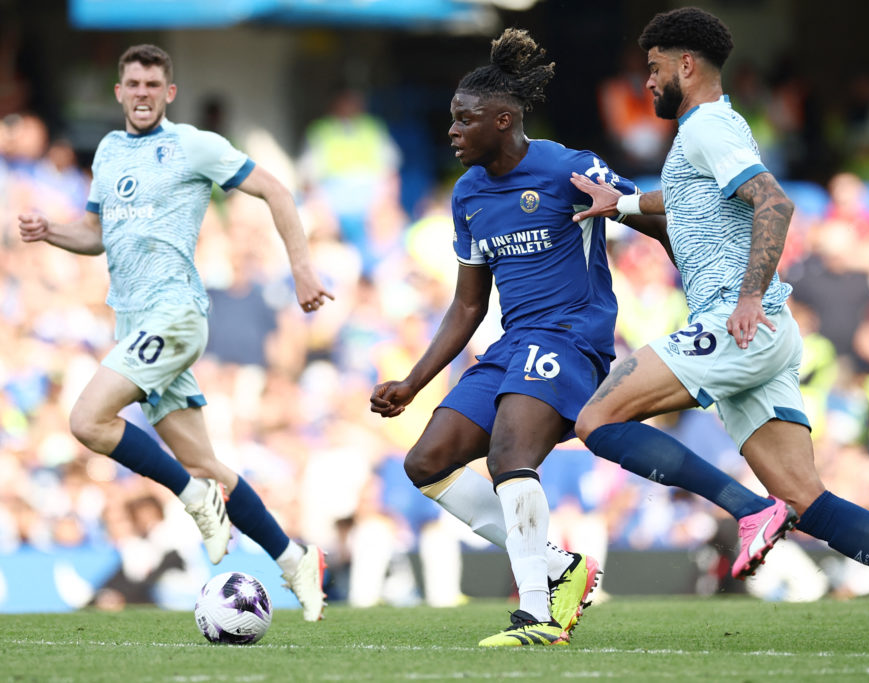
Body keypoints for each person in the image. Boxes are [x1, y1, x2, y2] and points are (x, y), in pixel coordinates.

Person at [569, 7, 869, 650]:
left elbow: (774, 201)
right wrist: (624, 205)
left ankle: (747, 511)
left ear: (685, 65)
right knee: (807, 499)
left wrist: (746, 299)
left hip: (739, 324)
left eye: (654, 68)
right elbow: (686, 205)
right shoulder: (708, 132)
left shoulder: (708, 126)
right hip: (765, 334)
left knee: (596, 422)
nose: (647, 83)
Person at [370, 28, 665, 647]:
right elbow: (467, 304)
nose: (450, 131)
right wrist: (413, 383)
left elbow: (649, 213)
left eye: (463, 120)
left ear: (502, 120)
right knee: (426, 463)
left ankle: (538, 612)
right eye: (451, 120)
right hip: (512, 344)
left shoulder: (569, 167)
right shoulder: (469, 194)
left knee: (510, 459)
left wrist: (712, 282)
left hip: (571, 338)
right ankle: (559, 567)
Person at [17, 44, 333, 621]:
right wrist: (50, 232)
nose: (141, 93)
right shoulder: (109, 153)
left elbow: (277, 192)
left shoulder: (194, 146)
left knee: (87, 420)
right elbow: (95, 234)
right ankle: (295, 560)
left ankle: (192, 499)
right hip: (138, 327)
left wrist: (303, 271)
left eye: (152, 84)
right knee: (210, 466)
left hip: (177, 315)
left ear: (169, 93)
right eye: (132, 84)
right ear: (119, 92)